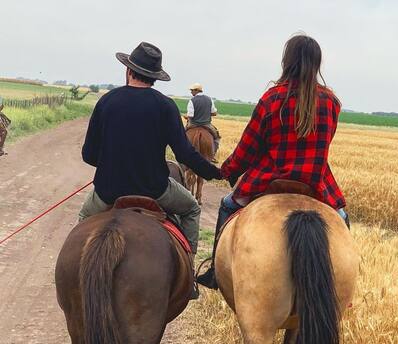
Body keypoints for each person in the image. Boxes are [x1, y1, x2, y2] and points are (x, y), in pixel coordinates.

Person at [197, 34, 349, 289]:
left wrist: (228, 170)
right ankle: (342, 287)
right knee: (342, 219)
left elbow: (248, 147)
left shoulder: (272, 98)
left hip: (270, 180)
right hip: (315, 183)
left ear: (287, 61)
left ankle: (215, 271)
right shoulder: (331, 102)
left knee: (226, 205)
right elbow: (324, 143)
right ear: (316, 63)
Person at [79, 42, 221, 262]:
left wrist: (114, 163)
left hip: (108, 190)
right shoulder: (166, 106)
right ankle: (190, 268)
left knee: (84, 217)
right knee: (192, 208)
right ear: (155, 77)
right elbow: (185, 154)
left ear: (129, 70)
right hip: (155, 190)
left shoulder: (106, 101)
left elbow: (88, 154)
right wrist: (214, 172)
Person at [185, 83, 221, 158]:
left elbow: (190, 115)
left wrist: (186, 116)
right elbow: (214, 113)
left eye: (192, 90)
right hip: (206, 124)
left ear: (196, 90)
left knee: (181, 136)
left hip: (193, 124)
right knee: (217, 137)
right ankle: (212, 155)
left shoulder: (192, 100)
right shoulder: (209, 99)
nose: (191, 92)